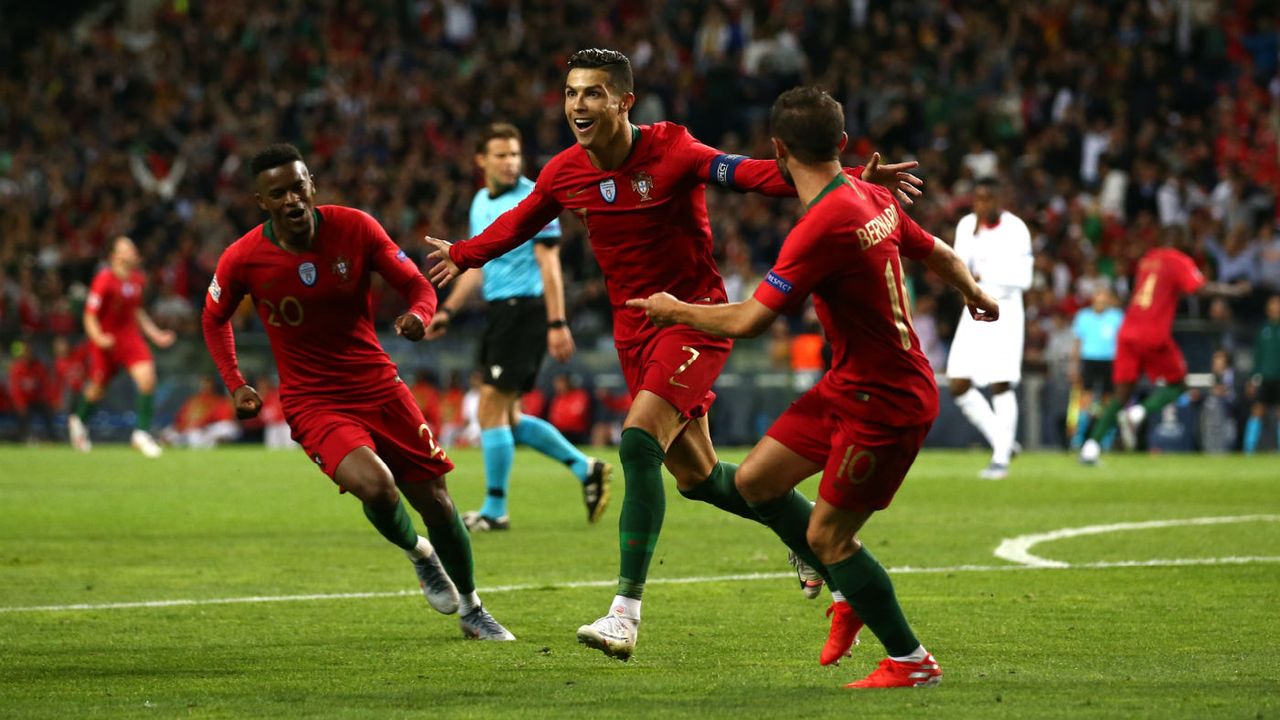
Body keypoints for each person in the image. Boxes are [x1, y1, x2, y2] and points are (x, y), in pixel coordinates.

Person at [425, 48, 923, 661]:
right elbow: (521, 222)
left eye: (593, 93)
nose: (579, 105)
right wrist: (465, 254)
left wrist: (842, 179)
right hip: (636, 332)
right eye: (572, 93)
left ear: (623, 101)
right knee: (700, 480)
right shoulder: (565, 172)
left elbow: (750, 174)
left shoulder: (674, 150)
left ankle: (624, 613)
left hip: (694, 322)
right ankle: (802, 534)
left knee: (637, 442)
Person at [628, 86, 999, 688]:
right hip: (848, 384)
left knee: (828, 535)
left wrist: (677, 311)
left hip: (889, 403)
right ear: (844, 145)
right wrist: (974, 292)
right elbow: (936, 252)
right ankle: (844, 586)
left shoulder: (820, 226)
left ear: (776, 149)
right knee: (753, 482)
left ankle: (911, 660)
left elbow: (751, 320)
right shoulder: (869, 193)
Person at [201, 143, 513, 641]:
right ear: (262, 202)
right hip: (312, 401)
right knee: (377, 486)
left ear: (312, 186)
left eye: (297, 188)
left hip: (377, 383)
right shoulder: (243, 258)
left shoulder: (356, 228)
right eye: (277, 194)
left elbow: (419, 286)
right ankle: (419, 553)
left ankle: (473, 608)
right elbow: (214, 318)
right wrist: (236, 383)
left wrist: (419, 316)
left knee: (438, 502)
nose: (291, 201)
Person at [424, 122, 611, 533]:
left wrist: (557, 322)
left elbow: (549, 264)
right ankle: (587, 468)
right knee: (506, 416)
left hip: (527, 311)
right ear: (481, 161)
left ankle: (495, 509)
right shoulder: (479, 202)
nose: (510, 163)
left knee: (491, 407)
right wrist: (448, 311)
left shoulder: (534, 197)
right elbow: (476, 264)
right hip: (499, 312)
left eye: (515, 154)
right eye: (501, 155)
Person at [1079, 230, 1226, 463]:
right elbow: (1199, 288)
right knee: (1179, 384)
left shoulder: (1148, 259)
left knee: (1121, 394)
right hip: (1153, 333)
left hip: (1128, 331)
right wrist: (1234, 291)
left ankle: (1090, 447)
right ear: (1180, 242)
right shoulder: (1178, 260)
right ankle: (1137, 414)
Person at [945, 177, 1033, 479]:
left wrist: (984, 274)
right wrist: (971, 284)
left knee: (1000, 383)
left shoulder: (1016, 229)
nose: (981, 204)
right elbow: (959, 267)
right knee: (958, 383)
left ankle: (1000, 460)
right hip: (973, 308)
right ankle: (1003, 441)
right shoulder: (967, 225)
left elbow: (1024, 278)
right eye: (978, 198)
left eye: (988, 198)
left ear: (1000, 199)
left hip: (1006, 309)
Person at [69, 235, 175, 457]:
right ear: (114, 255)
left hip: (129, 338)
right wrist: (98, 338)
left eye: (132, 247)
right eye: (126, 248)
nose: (132, 251)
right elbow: (90, 315)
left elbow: (137, 311)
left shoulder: (138, 279)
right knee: (98, 387)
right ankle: (78, 421)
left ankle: (141, 434)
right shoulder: (104, 279)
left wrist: (156, 335)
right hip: (105, 339)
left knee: (147, 379)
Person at [1069, 288, 1124, 448]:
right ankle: (1078, 438)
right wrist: (1074, 366)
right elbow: (1077, 343)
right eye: (1098, 299)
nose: (1101, 303)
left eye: (1104, 299)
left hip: (1110, 361)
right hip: (1089, 360)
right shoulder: (1083, 316)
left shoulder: (1116, 317)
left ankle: (1106, 438)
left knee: (1108, 400)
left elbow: (1122, 343)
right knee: (1085, 399)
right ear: (1093, 300)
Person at [1245, 294, 1280, 453]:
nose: (1274, 308)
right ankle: (1249, 450)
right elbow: (1257, 356)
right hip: (1264, 378)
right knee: (1257, 411)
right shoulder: (1263, 329)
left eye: (1277, 305)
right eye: (1272, 305)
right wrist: (1253, 378)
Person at [9, 341, 55, 442]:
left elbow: (45, 384)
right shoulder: (17, 368)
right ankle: (22, 437)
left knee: (47, 412)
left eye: (30, 351)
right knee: (23, 415)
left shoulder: (38, 366)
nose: (29, 354)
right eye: (27, 352)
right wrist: (20, 404)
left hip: (36, 400)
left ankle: (52, 437)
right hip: (23, 402)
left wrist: (48, 400)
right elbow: (15, 389)